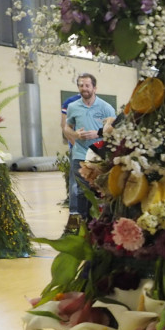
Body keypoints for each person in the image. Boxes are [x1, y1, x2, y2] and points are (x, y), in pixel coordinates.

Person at [63, 73, 115, 230]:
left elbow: (115, 129)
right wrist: (75, 135)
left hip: (99, 155)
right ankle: (78, 226)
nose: (83, 88)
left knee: (99, 191)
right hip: (79, 154)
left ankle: (99, 224)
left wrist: (97, 133)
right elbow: (67, 128)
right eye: (80, 85)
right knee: (79, 190)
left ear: (94, 88)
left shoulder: (106, 107)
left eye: (87, 85)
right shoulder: (73, 107)